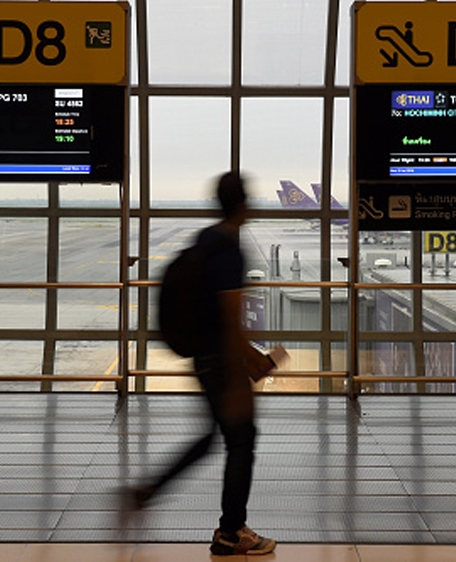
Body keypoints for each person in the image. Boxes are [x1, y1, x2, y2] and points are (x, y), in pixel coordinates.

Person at [127, 171, 276, 556]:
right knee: (241, 440)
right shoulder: (230, 250)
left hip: (203, 358)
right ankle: (231, 532)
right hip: (219, 362)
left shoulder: (205, 240)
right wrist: (242, 377)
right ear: (243, 205)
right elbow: (230, 320)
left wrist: (251, 360)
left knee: (212, 437)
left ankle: (148, 491)